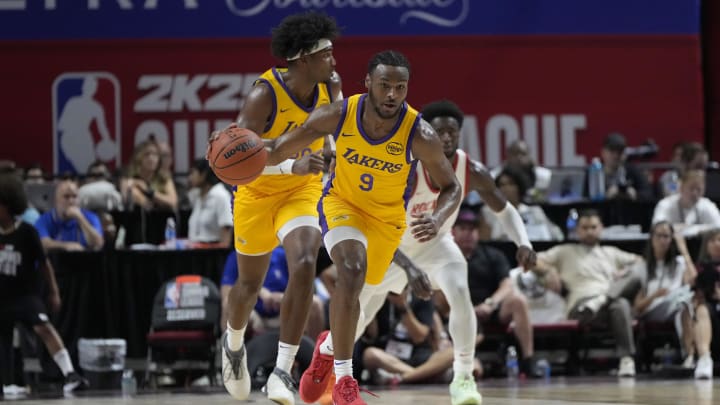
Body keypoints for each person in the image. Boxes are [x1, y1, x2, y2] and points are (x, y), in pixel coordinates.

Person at [261, 50, 462, 405]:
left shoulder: (420, 133)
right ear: (368, 83)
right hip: (343, 205)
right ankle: (344, 382)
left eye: (400, 88)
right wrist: (244, 150)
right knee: (351, 273)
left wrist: (437, 217)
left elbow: (452, 186)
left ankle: (325, 349)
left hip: (387, 219)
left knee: (362, 300)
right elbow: (279, 148)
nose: (391, 95)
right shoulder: (340, 114)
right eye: (384, 85)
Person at [345, 99, 536, 403]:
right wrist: (408, 268)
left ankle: (463, 377)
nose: (446, 138)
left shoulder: (469, 168)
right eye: (440, 131)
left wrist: (523, 242)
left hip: (436, 246)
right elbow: (377, 229)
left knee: (460, 291)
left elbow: (504, 209)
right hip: (391, 248)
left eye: (452, 132)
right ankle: (329, 364)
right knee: (360, 315)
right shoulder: (404, 168)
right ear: (425, 133)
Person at [215, 12, 341, 405]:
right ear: (303, 58)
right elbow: (241, 154)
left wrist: (332, 153)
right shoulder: (263, 95)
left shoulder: (330, 85)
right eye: (326, 52)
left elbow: (331, 126)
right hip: (255, 193)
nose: (334, 60)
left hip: (301, 191)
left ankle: (282, 371)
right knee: (248, 287)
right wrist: (291, 163)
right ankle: (233, 344)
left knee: (304, 262)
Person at [0, 174, 89, 393]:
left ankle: (70, 373)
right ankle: (6, 382)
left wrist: (54, 291)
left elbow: (45, 264)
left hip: (26, 295)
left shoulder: (27, 232)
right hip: (3, 297)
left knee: (44, 327)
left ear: (8, 206)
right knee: (3, 339)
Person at [530, 209, 643, 377]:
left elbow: (642, 262)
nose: (589, 231)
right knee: (620, 303)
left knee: (627, 292)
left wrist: (625, 270)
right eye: (584, 227)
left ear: (601, 228)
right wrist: (547, 271)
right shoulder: (565, 251)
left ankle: (626, 359)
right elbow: (531, 258)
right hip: (581, 306)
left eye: (593, 227)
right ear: (577, 230)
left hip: (606, 306)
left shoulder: (612, 253)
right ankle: (603, 299)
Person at [450, 209, 540, 379]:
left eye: (472, 229)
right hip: (457, 310)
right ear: (453, 231)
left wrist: (490, 303)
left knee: (518, 301)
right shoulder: (446, 256)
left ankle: (528, 360)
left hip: (489, 309)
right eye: (463, 229)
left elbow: (506, 284)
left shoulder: (492, 255)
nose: (468, 234)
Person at [633, 221, 713, 378]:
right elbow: (637, 307)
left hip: (678, 306)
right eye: (660, 236)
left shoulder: (679, 264)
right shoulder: (642, 266)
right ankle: (691, 354)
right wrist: (654, 295)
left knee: (687, 303)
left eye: (667, 236)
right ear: (651, 238)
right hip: (653, 308)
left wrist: (684, 250)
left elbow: (694, 282)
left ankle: (691, 356)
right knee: (685, 301)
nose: (664, 240)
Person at [483, 166, 563, 241]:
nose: (506, 188)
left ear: (520, 187)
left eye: (511, 184)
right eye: (502, 185)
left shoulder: (535, 211)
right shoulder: (487, 212)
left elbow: (556, 235)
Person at [34, 179, 104, 251]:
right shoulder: (44, 219)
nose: (71, 201)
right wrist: (66, 246)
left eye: (74, 196)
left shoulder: (91, 217)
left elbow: (98, 243)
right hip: (57, 260)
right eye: (66, 196)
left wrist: (80, 218)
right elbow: (42, 243)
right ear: (56, 200)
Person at [586, 133, 653, 201]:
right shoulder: (595, 172)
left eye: (620, 151)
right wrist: (606, 196)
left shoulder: (632, 171)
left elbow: (649, 193)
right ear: (603, 152)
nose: (616, 156)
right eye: (612, 151)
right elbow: (585, 198)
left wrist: (635, 194)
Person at [652, 169, 720, 236]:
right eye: (691, 188)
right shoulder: (665, 204)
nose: (695, 193)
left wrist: (691, 229)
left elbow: (718, 226)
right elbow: (657, 227)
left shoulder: (707, 205)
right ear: (681, 188)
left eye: (699, 189)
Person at [120, 139, 178, 212]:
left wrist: (149, 191)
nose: (151, 158)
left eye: (155, 154)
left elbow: (173, 202)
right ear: (138, 157)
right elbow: (146, 204)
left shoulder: (164, 179)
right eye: (147, 154)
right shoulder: (129, 179)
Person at [186, 159, 233, 247]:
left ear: (204, 174)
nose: (190, 178)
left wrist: (203, 247)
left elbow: (226, 242)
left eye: (193, 173)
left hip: (212, 256)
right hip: (193, 255)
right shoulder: (197, 195)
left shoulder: (221, 196)